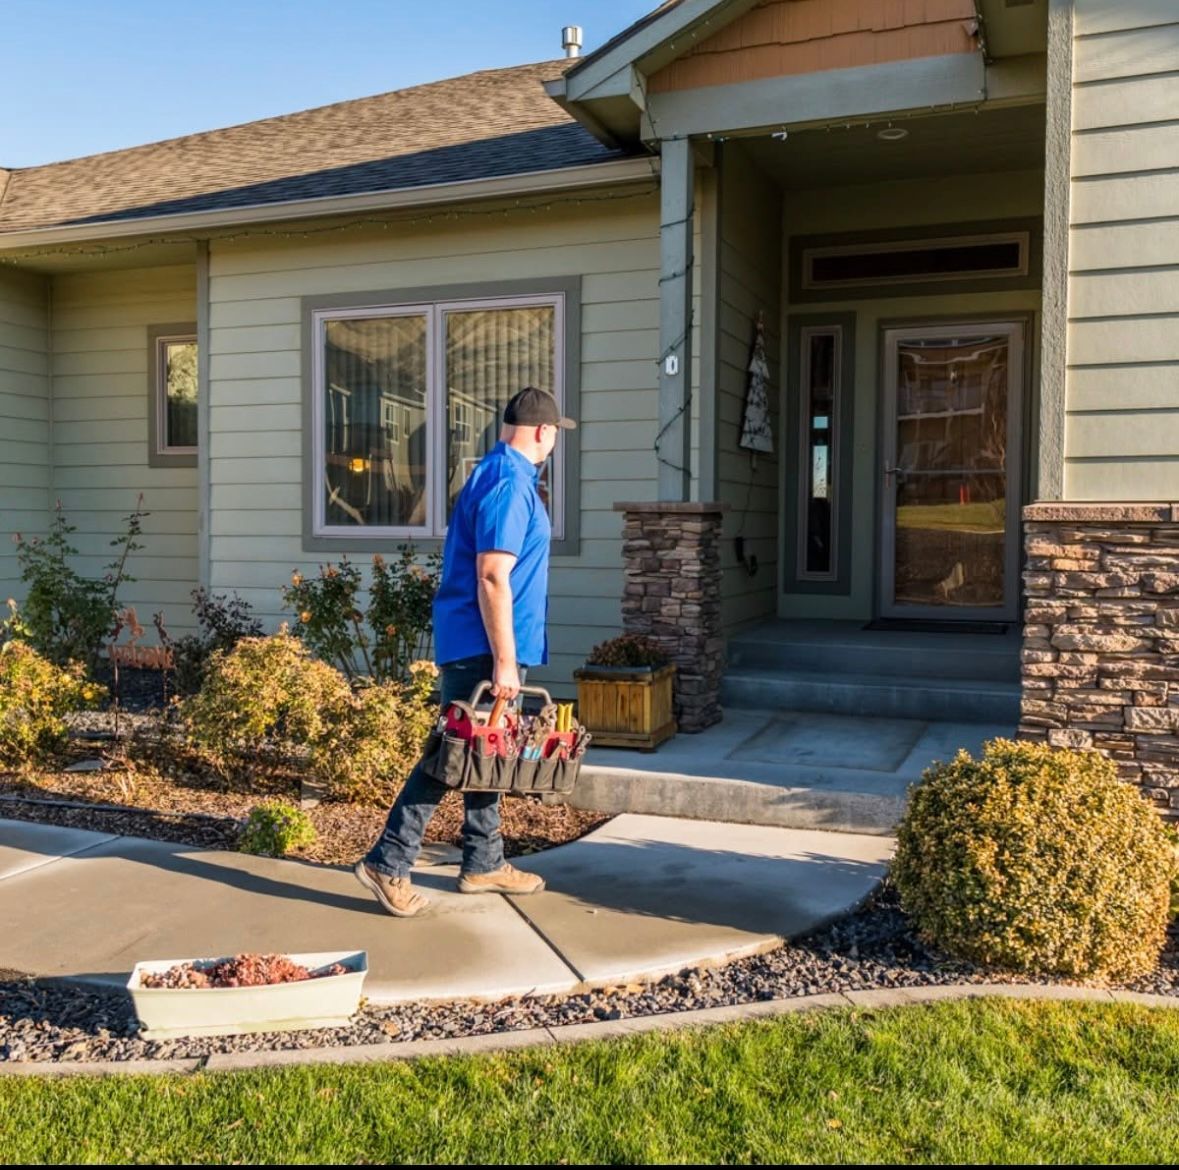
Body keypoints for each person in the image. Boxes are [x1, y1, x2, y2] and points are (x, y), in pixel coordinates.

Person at [354, 386, 576, 917]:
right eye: (553, 434)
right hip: (484, 645)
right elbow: (492, 576)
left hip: (487, 642)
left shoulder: (505, 474)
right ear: (543, 432)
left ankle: (483, 860)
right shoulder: (507, 482)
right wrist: (504, 659)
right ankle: (389, 860)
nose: (553, 443)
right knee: (451, 753)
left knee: (486, 753)